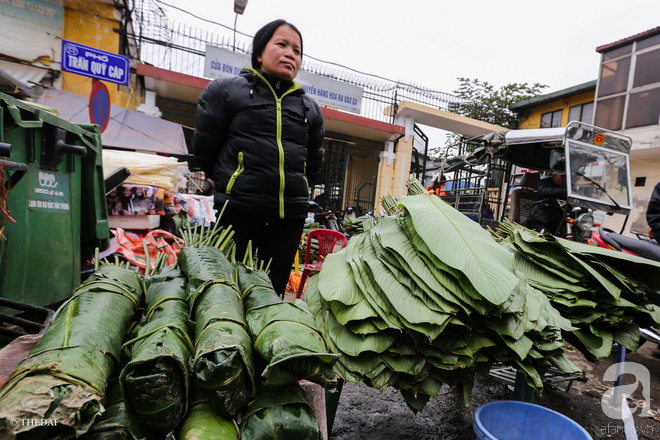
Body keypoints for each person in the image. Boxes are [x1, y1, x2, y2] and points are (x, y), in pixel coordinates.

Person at [192, 19, 324, 295]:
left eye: (297, 50)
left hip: (287, 221)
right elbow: (205, 152)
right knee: (227, 292)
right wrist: (235, 183)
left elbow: (313, 165)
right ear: (259, 53)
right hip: (239, 214)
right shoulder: (228, 92)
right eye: (282, 44)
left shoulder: (309, 108)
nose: (291, 53)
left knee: (269, 295)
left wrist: (298, 193)